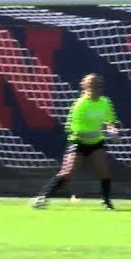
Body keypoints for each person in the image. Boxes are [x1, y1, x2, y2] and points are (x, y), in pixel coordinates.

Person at [32, 74, 121, 210]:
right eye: (91, 86)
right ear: (85, 88)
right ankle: (43, 197)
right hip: (78, 142)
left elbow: (111, 122)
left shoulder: (105, 102)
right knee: (67, 172)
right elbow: (78, 132)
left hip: (96, 143)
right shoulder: (80, 105)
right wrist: (103, 132)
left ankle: (106, 202)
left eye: (97, 86)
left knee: (104, 172)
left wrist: (113, 130)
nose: (94, 89)